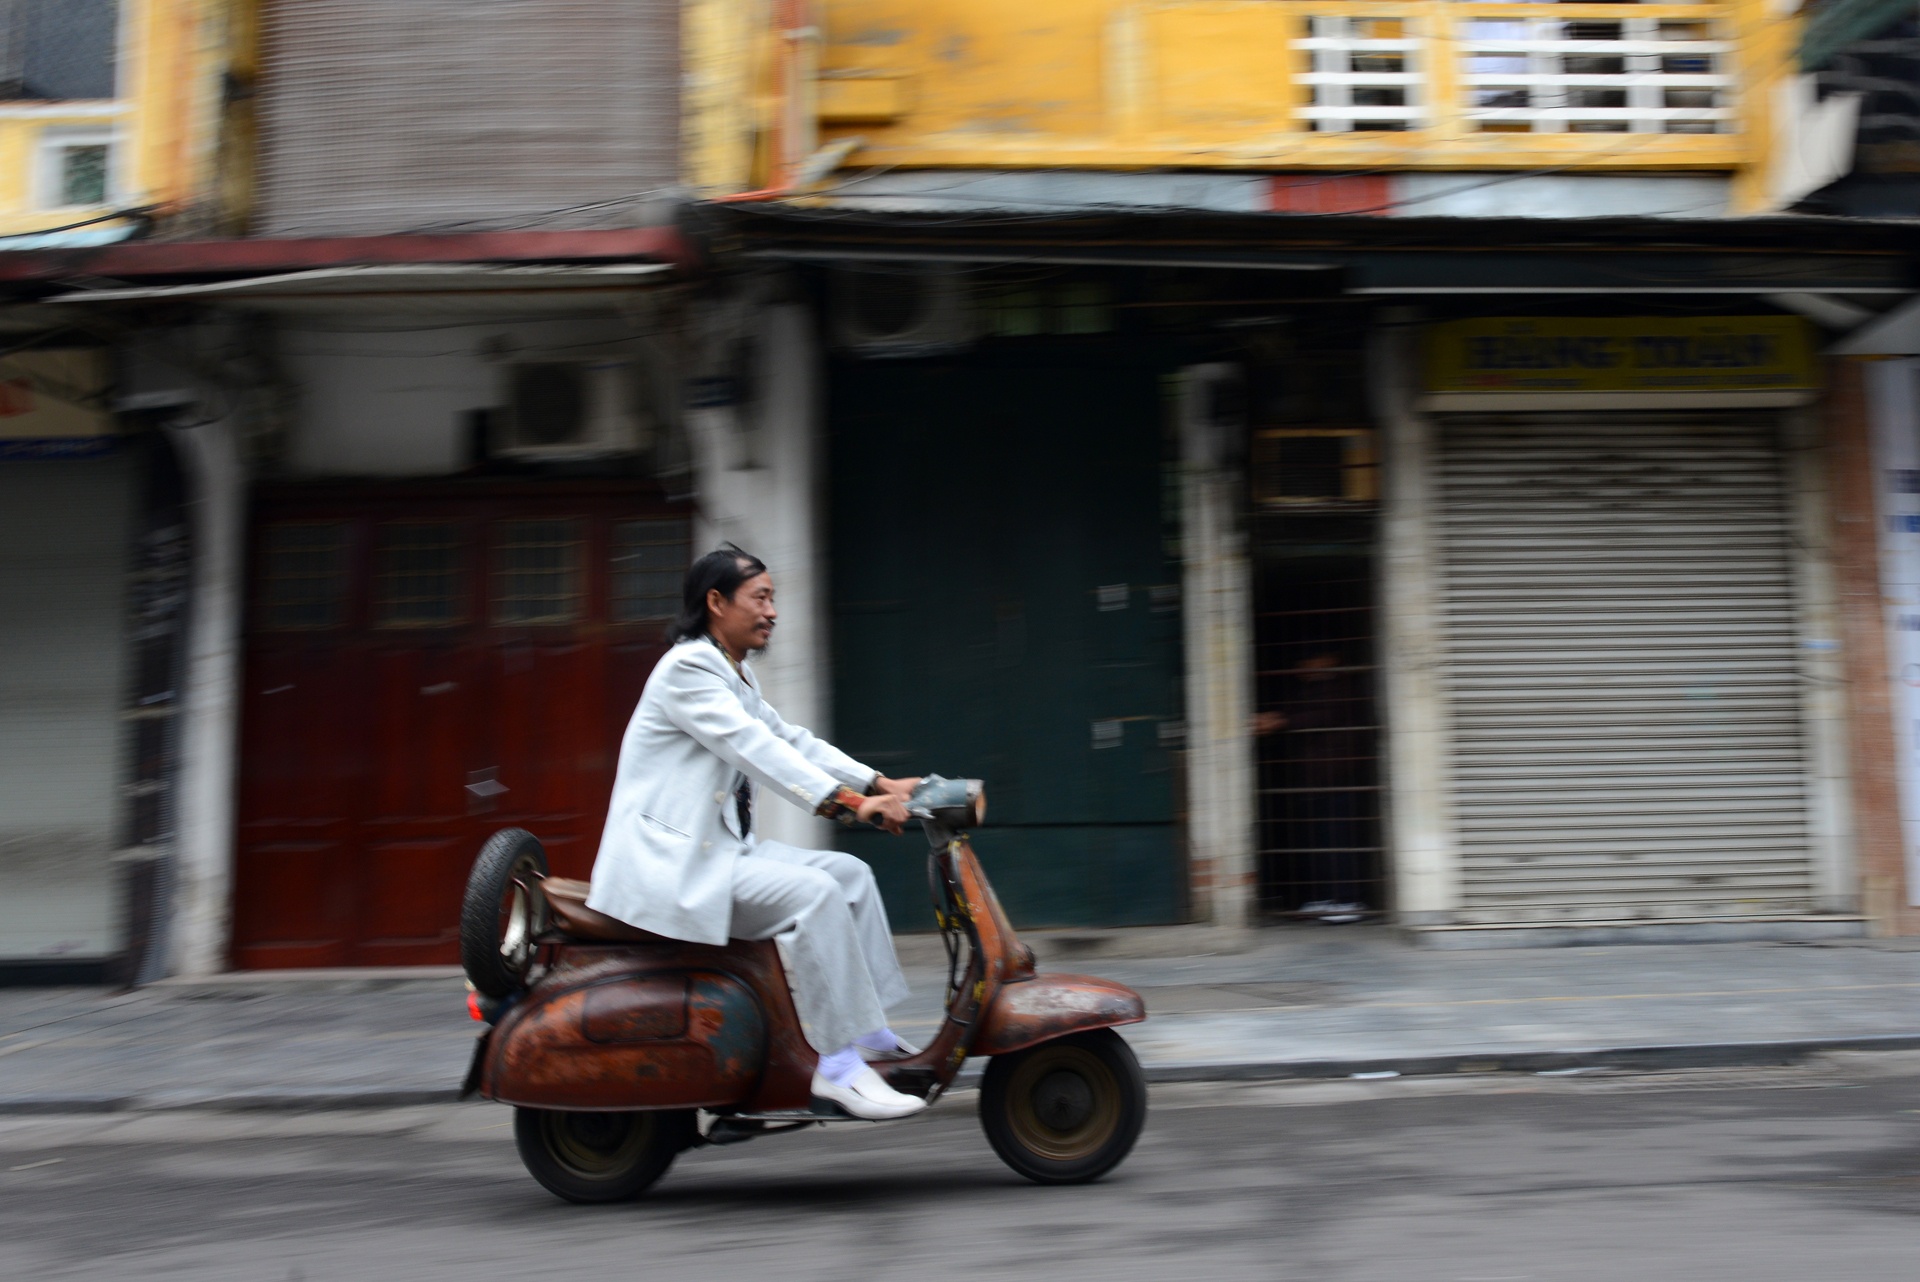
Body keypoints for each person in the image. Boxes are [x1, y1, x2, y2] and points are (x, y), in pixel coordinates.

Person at [586, 545, 929, 1120]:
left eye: (774, 598)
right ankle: (838, 1068)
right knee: (815, 895)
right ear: (716, 602)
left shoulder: (732, 674)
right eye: (761, 598)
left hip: (719, 853)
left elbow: (792, 739)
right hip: (676, 868)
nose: (772, 611)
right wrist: (850, 804)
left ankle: (868, 1032)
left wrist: (879, 780)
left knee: (849, 874)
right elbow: (758, 750)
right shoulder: (687, 671)